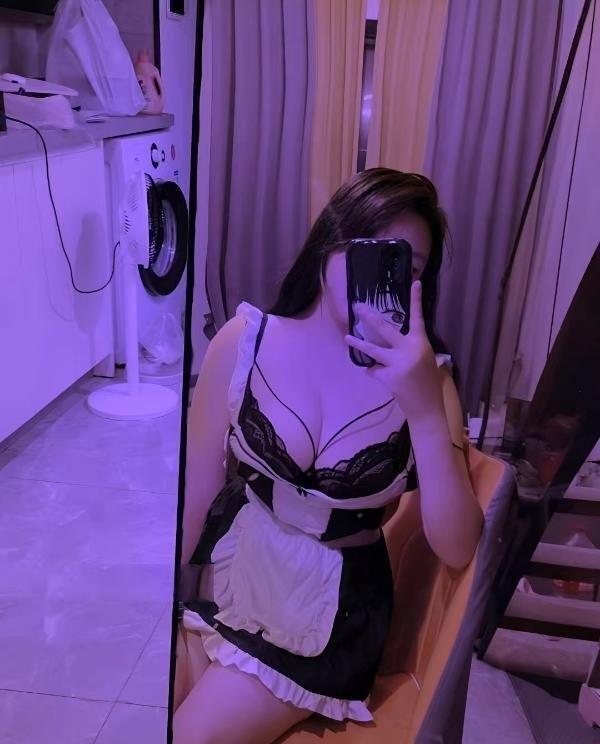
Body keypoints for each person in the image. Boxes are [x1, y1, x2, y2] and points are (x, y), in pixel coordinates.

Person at [173, 168, 483, 744]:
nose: (380, 276)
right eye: (370, 250)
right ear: (329, 242)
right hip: (233, 579)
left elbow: (459, 544)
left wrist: (422, 409)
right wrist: (162, 596)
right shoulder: (243, 341)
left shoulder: (428, 382)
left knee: (190, 736)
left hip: (327, 617)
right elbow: (197, 492)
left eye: (405, 266)